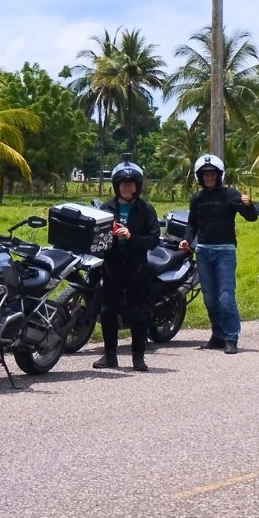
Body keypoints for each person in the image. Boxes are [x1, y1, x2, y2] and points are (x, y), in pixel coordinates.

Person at [179, 154, 257, 354]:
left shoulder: (230, 195)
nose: (209, 178)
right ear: (200, 177)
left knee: (225, 296)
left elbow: (251, 218)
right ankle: (217, 335)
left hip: (225, 251)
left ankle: (231, 337)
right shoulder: (197, 199)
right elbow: (192, 223)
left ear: (219, 175)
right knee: (209, 297)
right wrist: (187, 239)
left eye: (212, 174)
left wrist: (249, 205)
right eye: (205, 175)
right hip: (203, 251)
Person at [95, 159, 159, 372]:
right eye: (122, 183)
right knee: (107, 310)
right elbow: (96, 235)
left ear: (138, 186)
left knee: (138, 311)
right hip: (112, 265)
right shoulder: (107, 207)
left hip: (136, 266)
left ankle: (138, 357)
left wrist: (131, 237)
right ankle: (110, 356)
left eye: (131, 183)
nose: (127, 187)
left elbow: (153, 239)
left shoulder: (146, 209)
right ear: (116, 185)